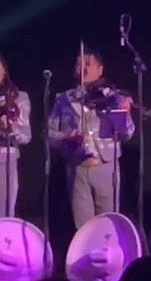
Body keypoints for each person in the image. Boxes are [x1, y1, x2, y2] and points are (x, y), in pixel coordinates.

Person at [47, 48, 135, 228]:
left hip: (106, 165)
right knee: (83, 228)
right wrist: (66, 137)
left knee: (109, 223)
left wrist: (125, 115)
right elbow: (49, 133)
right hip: (77, 167)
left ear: (100, 69)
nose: (83, 69)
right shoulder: (63, 99)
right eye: (79, 64)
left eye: (88, 64)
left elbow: (128, 133)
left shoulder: (113, 96)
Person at [0, 53, 32, 217]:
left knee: (4, 215)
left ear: (4, 71)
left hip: (4, 160)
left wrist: (10, 130)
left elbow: (26, 136)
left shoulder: (18, 98)